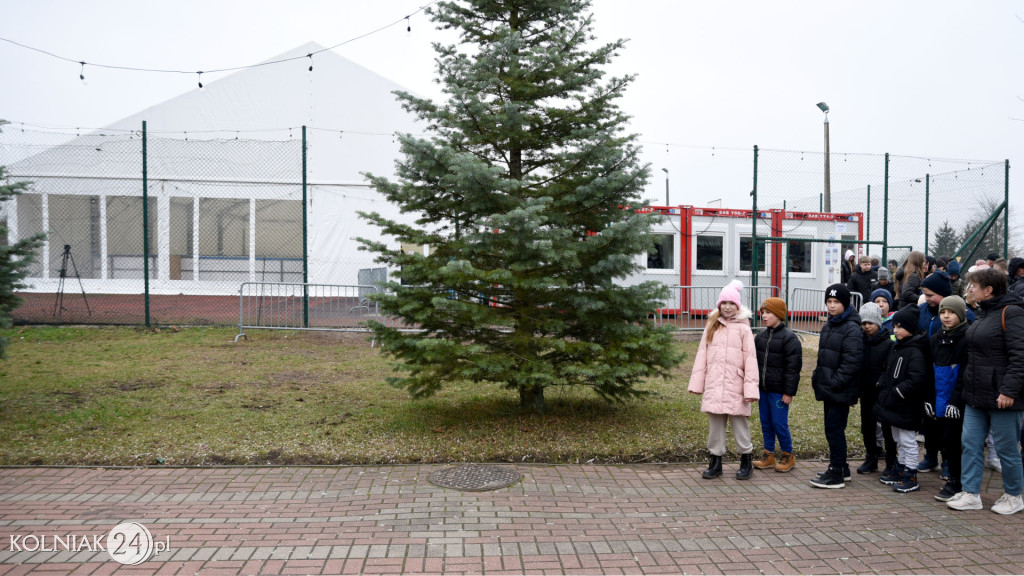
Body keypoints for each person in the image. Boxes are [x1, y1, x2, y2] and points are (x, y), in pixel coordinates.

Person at [948, 268, 1024, 514]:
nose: (969, 289)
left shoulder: (1011, 313)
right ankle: (971, 494)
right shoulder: (982, 313)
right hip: (975, 394)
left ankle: (1014, 496)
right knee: (969, 443)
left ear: (988, 290)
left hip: (1003, 397)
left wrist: (1009, 391)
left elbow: (1020, 356)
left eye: (973, 286)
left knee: (1007, 449)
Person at [688, 279, 760, 481]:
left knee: (740, 425)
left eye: (731, 304)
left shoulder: (744, 329)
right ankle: (715, 461)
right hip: (714, 383)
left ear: (737, 306)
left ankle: (746, 459)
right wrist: (697, 384)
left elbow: (750, 360)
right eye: (724, 304)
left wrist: (751, 390)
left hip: (736, 385)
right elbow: (702, 355)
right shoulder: (712, 326)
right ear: (719, 305)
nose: (727, 308)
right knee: (715, 427)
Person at [810, 284, 864, 489]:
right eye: (829, 302)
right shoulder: (830, 324)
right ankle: (841, 467)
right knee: (831, 428)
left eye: (836, 302)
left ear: (845, 303)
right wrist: (818, 377)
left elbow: (852, 362)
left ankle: (836, 473)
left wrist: (834, 383)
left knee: (834, 429)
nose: (832, 306)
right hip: (829, 388)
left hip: (840, 390)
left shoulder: (851, 328)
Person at [874, 307, 930, 493]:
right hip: (895, 404)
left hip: (906, 404)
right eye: (895, 326)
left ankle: (910, 474)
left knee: (907, 440)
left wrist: (898, 392)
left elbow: (917, 379)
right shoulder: (898, 347)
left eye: (900, 327)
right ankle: (901, 467)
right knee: (898, 438)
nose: (895, 330)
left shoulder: (915, 351)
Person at [752, 297, 802, 473]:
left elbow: (793, 369)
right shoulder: (760, 338)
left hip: (779, 392)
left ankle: (788, 455)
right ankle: (769, 454)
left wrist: (788, 392)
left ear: (780, 315)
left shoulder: (790, 339)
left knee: (779, 423)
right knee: (766, 422)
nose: (764, 316)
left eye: (769, 313)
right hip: (763, 390)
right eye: (763, 313)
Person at [931, 295, 970, 502]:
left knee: (955, 441)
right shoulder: (937, 338)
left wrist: (955, 401)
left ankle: (956, 481)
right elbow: (931, 371)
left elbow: (965, 374)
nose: (946, 316)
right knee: (943, 440)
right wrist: (929, 399)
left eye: (951, 312)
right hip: (939, 398)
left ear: (961, 314)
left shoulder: (966, 337)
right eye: (943, 312)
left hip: (957, 399)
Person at [857, 302, 894, 475]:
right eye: (863, 323)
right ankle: (871, 457)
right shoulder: (859, 342)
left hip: (882, 392)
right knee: (867, 426)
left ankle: (891, 462)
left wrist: (882, 383)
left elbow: (888, 368)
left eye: (870, 323)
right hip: (866, 391)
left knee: (886, 428)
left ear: (878, 323)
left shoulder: (887, 343)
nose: (866, 326)